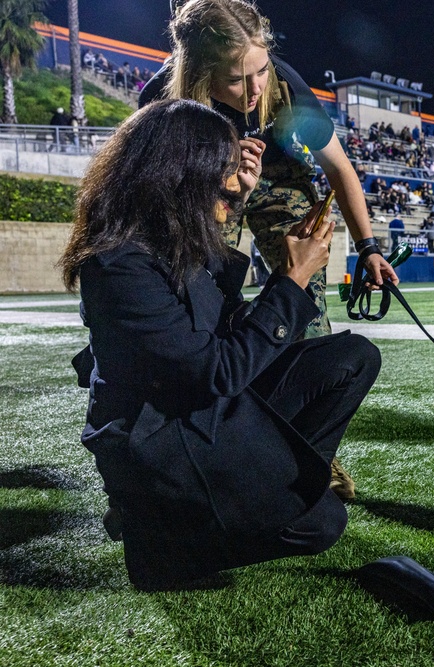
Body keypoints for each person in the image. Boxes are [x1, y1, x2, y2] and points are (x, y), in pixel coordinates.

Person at [59, 99, 382, 591]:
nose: (234, 183)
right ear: (182, 173)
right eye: (225, 172)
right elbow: (218, 371)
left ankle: (271, 483)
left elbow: (218, 325)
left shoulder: (168, 233)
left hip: (199, 405)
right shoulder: (118, 262)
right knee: (320, 522)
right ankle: (164, 547)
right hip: (162, 438)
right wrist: (293, 279)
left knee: (353, 359)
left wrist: (242, 213)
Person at [140, 0, 397, 339]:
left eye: (261, 70)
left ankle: (306, 374)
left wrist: (368, 247)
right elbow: (156, 195)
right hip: (205, 189)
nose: (256, 89)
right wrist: (226, 179)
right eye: (236, 79)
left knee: (306, 288)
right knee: (201, 291)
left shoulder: (286, 86)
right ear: (201, 74)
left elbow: (338, 167)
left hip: (279, 178)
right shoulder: (161, 103)